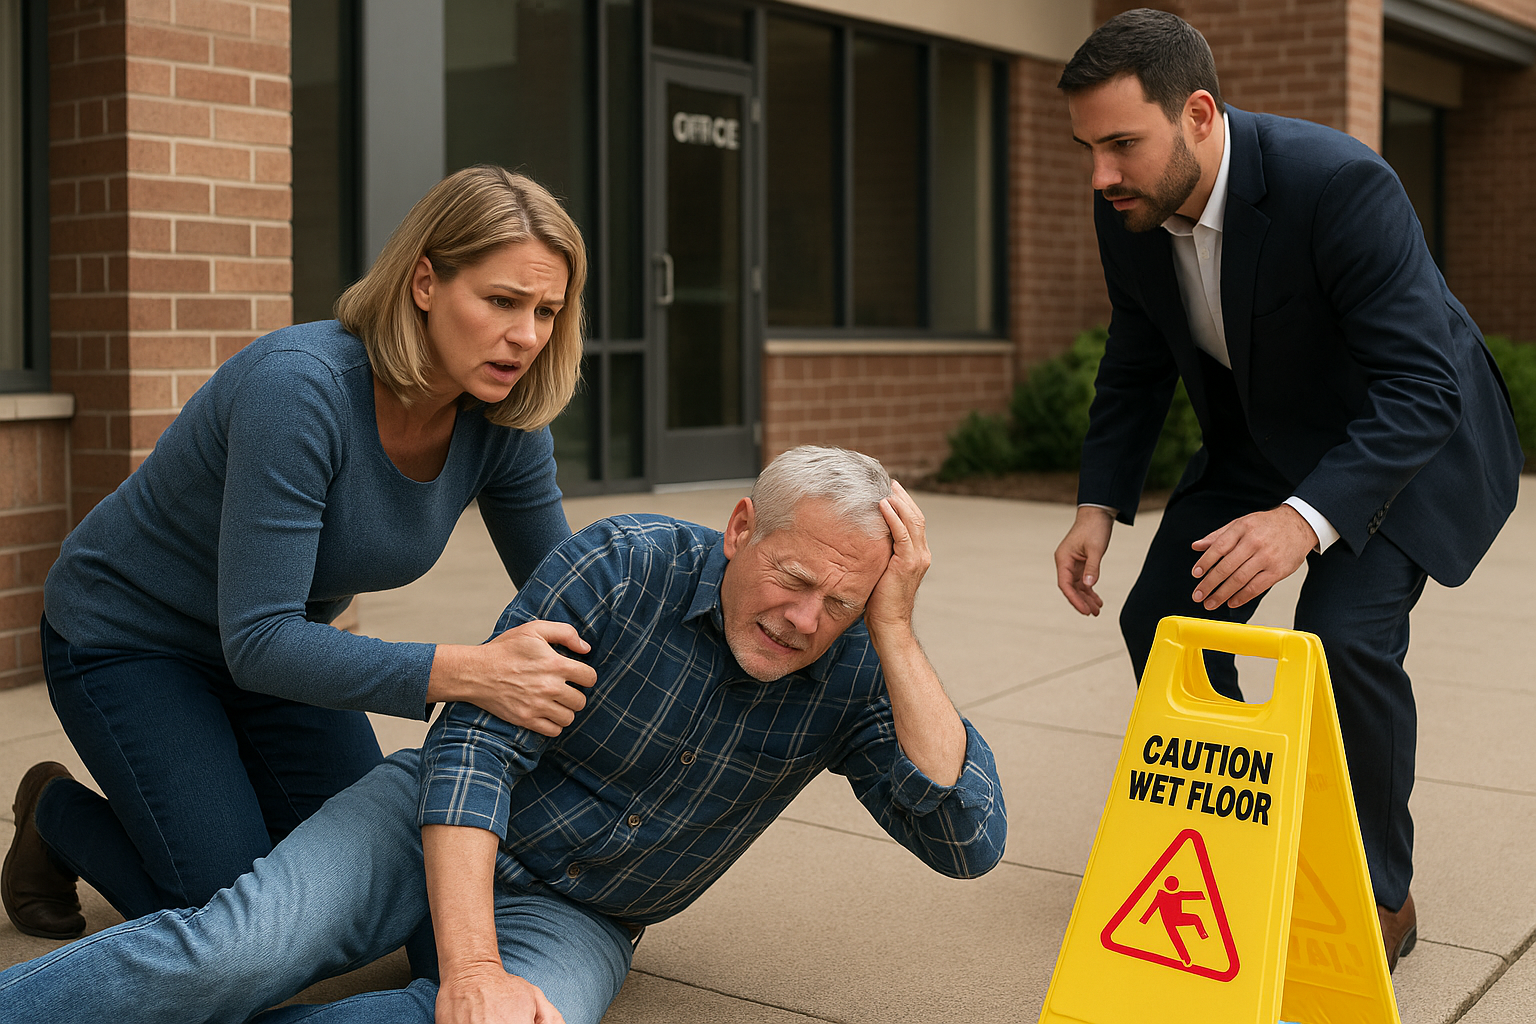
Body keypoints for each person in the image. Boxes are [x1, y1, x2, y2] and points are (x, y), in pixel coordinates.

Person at [0, 446, 1007, 1024]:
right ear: (743, 527)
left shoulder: (854, 661)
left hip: (585, 912)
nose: (803, 619)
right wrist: (469, 964)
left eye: (840, 601)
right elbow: (476, 746)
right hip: (428, 820)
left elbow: (967, 841)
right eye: (793, 579)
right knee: (235, 951)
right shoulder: (626, 564)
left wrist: (894, 633)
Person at [2, 167, 601, 945]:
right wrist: (471, 670)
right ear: (425, 281)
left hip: (287, 654)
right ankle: (56, 815)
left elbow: (573, 599)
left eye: (547, 310)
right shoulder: (303, 388)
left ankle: (204, 796)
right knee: (232, 918)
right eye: (501, 301)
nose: (527, 335)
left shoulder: (506, 422)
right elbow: (257, 640)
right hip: (130, 639)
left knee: (374, 882)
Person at [1050, 10, 1521, 972]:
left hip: (1398, 438)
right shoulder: (1130, 211)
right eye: (1087, 149)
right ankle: (1237, 829)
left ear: (1198, 113)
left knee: (1342, 640)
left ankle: (1378, 891)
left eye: (1120, 144)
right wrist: (1100, 503)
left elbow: (1421, 387)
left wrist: (1304, 523)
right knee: (1162, 620)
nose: (1101, 175)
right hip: (1265, 434)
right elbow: (1136, 361)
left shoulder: (1340, 183)